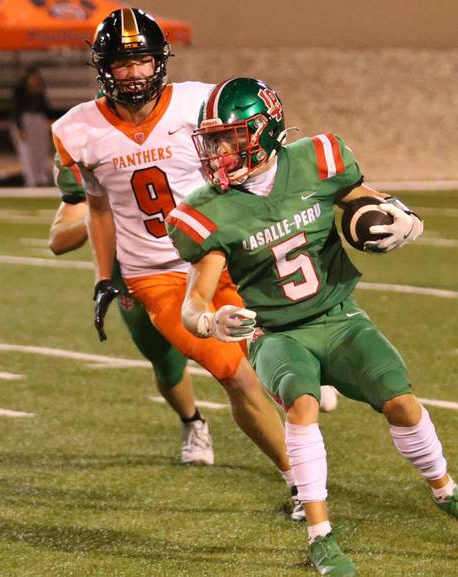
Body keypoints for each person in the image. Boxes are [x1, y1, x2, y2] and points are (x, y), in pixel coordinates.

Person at [168, 77, 458, 577]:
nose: (218, 151)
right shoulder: (206, 210)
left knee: (401, 402)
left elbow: (370, 200)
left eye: (230, 137)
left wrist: (406, 218)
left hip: (338, 316)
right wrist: (212, 321)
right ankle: (320, 536)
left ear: (265, 131)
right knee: (302, 405)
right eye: (212, 140)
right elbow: (193, 302)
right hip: (275, 331)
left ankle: (447, 491)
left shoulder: (317, 161)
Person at [50, 9, 303, 517]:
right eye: (123, 63)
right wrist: (104, 278)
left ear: (160, 60)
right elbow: (97, 207)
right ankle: (299, 481)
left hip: (227, 250)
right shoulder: (74, 131)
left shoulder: (198, 102)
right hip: (159, 274)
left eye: (143, 59)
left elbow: (254, 156)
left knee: (297, 343)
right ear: (103, 68)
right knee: (234, 372)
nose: (135, 73)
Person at [47, 200, 212, 466]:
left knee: (241, 356)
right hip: (135, 275)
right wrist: (100, 211)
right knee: (166, 361)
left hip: (194, 254)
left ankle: (294, 454)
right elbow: (58, 240)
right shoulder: (85, 160)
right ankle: (192, 421)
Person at [11, 67, 53, 187]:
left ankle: (41, 176)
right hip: (25, 121)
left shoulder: (40, 90)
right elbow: (16, 110)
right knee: (27, 151)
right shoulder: (20, 91)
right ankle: (31, 178)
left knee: (41, 149)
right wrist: (20, 128)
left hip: (39, 120)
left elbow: (46, 109)